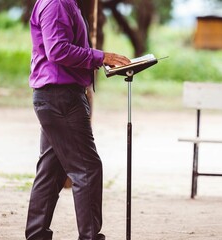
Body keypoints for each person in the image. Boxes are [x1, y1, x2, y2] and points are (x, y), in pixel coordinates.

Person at [25, 0, 130, 240]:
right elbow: (58, 50)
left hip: (57, 97)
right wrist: (102, 57)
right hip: (60, 98)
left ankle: (36, 235)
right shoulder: (57, 3)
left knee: (50, 172)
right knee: (87, 168)